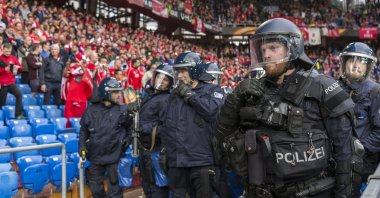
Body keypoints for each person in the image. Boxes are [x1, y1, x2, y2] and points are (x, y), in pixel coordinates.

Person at [215, 18, 356, 198]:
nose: (266, 55)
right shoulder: (251, 90)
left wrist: (342, 195)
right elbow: (221, 136)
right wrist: (235, 97)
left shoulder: (321, 87)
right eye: (262, 49)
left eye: (273, 48)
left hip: (313, 191)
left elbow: (345, 152)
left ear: (292, 49)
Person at [160, 51, 225, 198]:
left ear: (195, 70)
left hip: (202, 162)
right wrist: (166, 151)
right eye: (178, 71)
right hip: (177, 163)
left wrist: (190, 96)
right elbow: (166, 125)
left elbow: (211, 111)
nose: (180, 75)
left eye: (184, 71)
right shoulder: (173, 96)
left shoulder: (213, 90)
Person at [79, 77, 133, 198]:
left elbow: (131, 128)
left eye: (119, 91)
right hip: (95, 156)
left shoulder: (123, 109)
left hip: (115, 156)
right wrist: (82, 147)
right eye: (115, 92)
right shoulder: (91, 110)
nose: (119, 95)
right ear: (106, 92)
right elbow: (83, 131)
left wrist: (126, 141)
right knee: (96, 190)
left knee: (115, 192)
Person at [337, 42, 380, 194]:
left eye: (361, 62)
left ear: (368, 66)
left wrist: (359, 150)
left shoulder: (375, 92)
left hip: (363, 167)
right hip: (335, 164)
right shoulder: (333, 89)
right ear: (344, 63)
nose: (355, 65)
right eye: (351, 60)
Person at [138, 63, 173, 198]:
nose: (161, 81)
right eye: (159, 77)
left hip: (157, 150)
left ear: (170, 83)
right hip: (144, 149)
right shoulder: (148, 95)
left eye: (165, 79)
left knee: (158, 187)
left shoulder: (167, 99)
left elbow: (168, 126)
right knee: (147, 186)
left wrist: (145, 128)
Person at [0, 43, 24, 119]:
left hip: (11, 83)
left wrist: (17, 69)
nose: (7, 53)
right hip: (2, 84)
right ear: (2, 50)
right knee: (2, 103)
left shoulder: (13, 58)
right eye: (6, 51)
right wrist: (4, 70)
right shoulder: (0, 58)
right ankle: (2, 117)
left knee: (19, 95)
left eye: (9, 51)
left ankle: (18, 114)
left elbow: (21, 69)